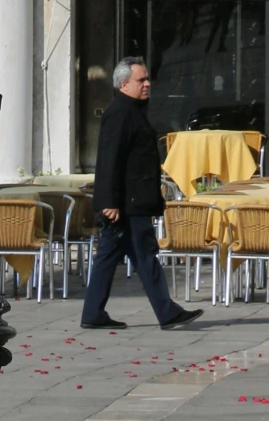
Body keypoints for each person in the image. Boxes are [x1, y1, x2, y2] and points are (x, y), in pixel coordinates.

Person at [80, 57, 202, 331]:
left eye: (148, 79)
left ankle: (92, 313)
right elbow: (109, 160)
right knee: (145, 255)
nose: (147, 84)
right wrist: (109, 202)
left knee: (112, 256)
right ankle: (167, 312)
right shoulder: (121, 112)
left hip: (130, 202)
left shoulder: (132, 110)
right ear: (124, 84)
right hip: (127, 204)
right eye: (141, 80)